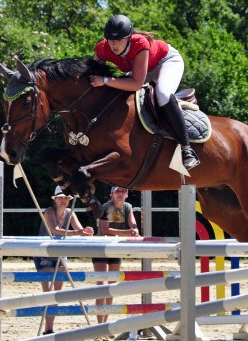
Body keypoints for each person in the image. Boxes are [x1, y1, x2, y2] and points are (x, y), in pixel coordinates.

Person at [90, 14, 200, 171]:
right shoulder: (102, 48)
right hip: (142, 69)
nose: (114, 44)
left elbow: (136, 83)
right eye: (110, 39)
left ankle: (186, 149)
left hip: (166, 62)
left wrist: (106, 80)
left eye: (119, 39)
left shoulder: (139, 43)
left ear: (128, 38)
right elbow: (92, 73)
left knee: (162, 94)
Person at [33, 186, 94, 334]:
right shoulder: (49, 211)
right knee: (48, 292)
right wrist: (78, 232)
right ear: (55, 199)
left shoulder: (70, 213)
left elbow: (79, 230)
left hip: (60, 254)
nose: (64, 200)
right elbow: (55, 230)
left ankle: (49, 328)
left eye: (66, 198)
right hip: (44, 253)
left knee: (57, 293)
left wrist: (86, 231)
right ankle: (48, 328)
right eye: (61, 197)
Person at [92, 186, 139, 324]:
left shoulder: (127, 206)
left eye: (123, 191)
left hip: (115, 247)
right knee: (102, 285)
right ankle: (99, 325)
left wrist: (135, 231)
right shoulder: (107, 207)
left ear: (127, 194)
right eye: (117, 191)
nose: (120, 193)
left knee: (111, 286)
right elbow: (105, 230)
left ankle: (105, 323)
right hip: (101, 248)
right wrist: (127, 232)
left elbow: (133, 224)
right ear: (112, 194)